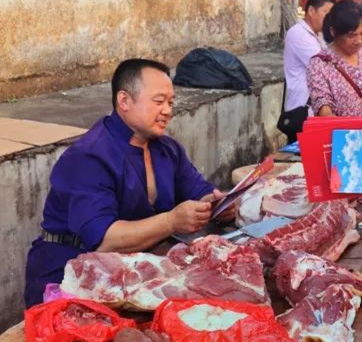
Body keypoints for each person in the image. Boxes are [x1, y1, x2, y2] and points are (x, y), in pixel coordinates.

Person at [24, 59, 223, 307]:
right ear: (124, 101)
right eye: (158, 101)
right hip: (71, 277)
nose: (168, 111)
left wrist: (219, 202)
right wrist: (171, 221)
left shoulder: (167, 149)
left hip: (131, 273)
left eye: (171, 103)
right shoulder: (90, 156)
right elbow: (104, 240)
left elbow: (199, 191)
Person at [307, 0, 362, 117]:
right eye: (351, 35)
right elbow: (324, 111)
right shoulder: (319, 63)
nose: (359, 41)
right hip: (341, 134)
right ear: (333, 32)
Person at [281, 0, 336, 141]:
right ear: (311, 11)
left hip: (314, 111)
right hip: (302, 112)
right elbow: (325, 65)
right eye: (326, 12)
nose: (329, 19)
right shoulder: (298, 34)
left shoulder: (318, 35)